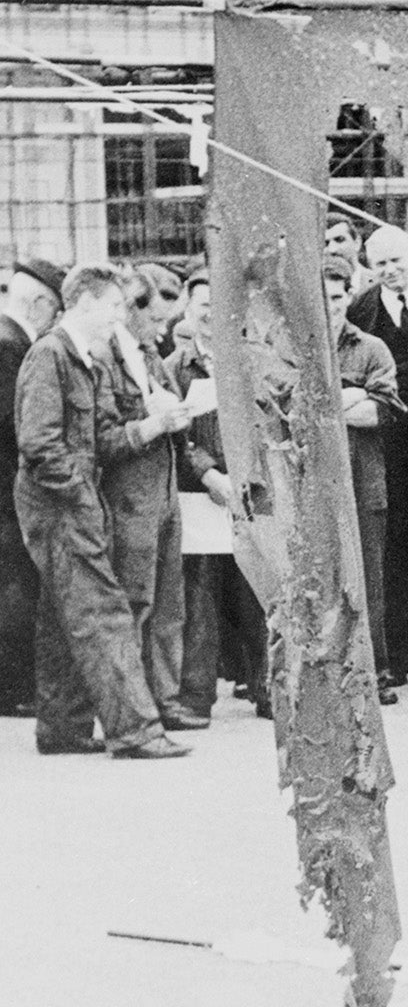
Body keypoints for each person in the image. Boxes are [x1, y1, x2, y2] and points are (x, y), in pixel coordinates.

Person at [15, 263, 189, 758]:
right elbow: (39, 445)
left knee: (62, 614)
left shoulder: (81, 358)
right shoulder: (51, 355)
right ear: (86, 302)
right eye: (114, 305)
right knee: (104, 613)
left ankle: (63, 728)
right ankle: (136, 732)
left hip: (70, 505)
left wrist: (147, 428)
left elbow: (104, 440)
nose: (120, 316)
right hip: (61, 508)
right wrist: (84, 496)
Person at [165, 278, 270, 722]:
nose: (212, 312)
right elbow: (178, 435)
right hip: (199, 496)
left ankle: (270, 689)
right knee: (200, 597)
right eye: (204, 304)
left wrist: (247, 476)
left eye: (220, 303)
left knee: (259, 592)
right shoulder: (173, 367)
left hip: (250, 490)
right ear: (189, 309)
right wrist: (209, 473)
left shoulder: (254, 361)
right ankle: (195, 695)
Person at [101, 265, 200, 731]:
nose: (162, 330)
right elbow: (103, 437)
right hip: (128, 495)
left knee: (169, 602)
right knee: (134, 600)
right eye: (156, 320)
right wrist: (153, 423)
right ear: (130, 309)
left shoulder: (148, 355)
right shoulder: (104, 358)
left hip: (163, 490)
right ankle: (134, 706)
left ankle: (165, 696)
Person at [348, 224, 408, 687]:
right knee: (390, 540)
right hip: (384, 440)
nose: (389, 270)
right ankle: (397, 652)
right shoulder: (360, 309)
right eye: (379, 262)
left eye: (397, 260)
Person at [326, 257, 405, 706]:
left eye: (338, 297)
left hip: (363, 476)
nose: (331, 305)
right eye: (323, 296)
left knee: (368, 576)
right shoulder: (293, 347)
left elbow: (382, 412)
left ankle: (375, 673)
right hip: (315, 481)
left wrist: (327, 402)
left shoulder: (372, 348)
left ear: (349, 296)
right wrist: (351, 396)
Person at [0, 257, 62, 716]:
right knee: (17, 586)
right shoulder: (10, 347)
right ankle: (13, 688)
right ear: (41, 304)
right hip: (7, 494)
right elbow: (13, 423)